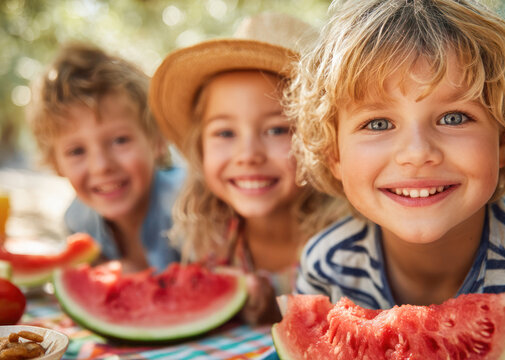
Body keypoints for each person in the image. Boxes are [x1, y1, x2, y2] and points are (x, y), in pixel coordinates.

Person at [286, 0, 505, 355]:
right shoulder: (328, 267)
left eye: (453, 117)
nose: (417, 153)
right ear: (335, 156)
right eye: (378, 124)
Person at [150, 12, 348, 324]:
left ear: (321, 139)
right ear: (200, 147)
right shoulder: (213, 238)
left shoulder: (348, 244)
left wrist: (275, 306)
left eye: (276, 130)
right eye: (225, 133)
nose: (248, 155)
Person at [27, 43, 185, 273]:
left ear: (158, 141)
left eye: (120, 140)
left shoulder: (190, 206)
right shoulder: (78, 222)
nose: (101, 166)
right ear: (56, 163)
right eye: (76, 151)